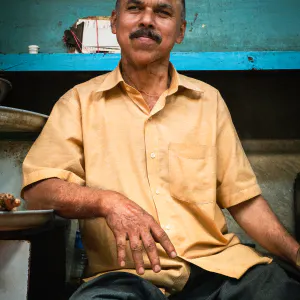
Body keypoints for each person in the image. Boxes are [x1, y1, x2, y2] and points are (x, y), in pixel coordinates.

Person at [22, 0, 300, 299]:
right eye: (135, 9)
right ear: (114, 23)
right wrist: (108, 202)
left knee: (280, 290)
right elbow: (39, 190)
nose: (147, 20)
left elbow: (243, 201)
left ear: (179, 31)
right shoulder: (77, 103)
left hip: (219, 271)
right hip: (126, 279)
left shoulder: (208, 101)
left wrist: (296, 253)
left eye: (163, 12)